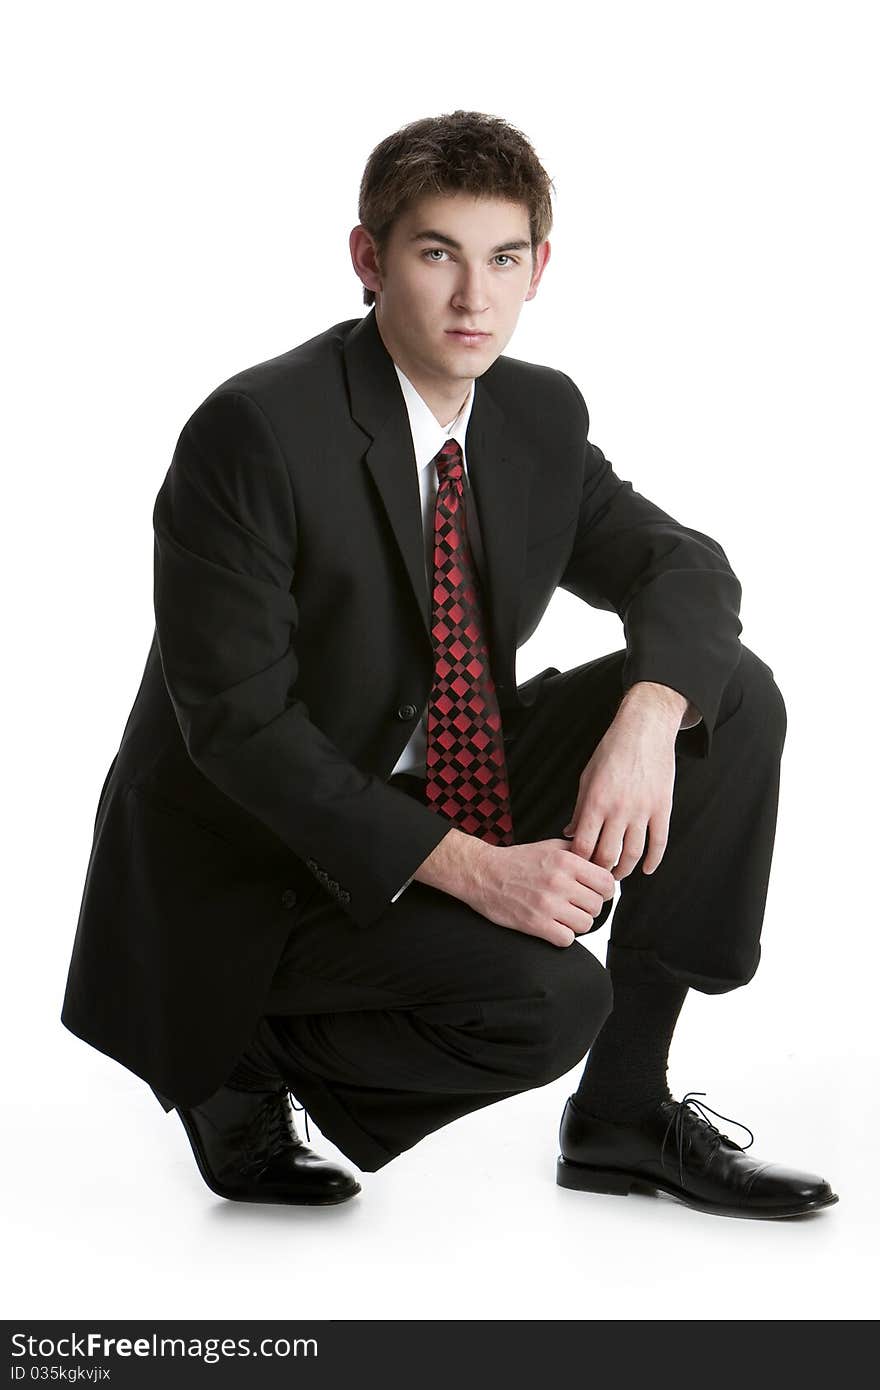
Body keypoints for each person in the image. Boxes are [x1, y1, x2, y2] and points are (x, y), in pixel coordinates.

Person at [61, 109, 838, 1219]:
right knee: (548, 998)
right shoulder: (254, 432)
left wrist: (648, 715)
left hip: (439, 774)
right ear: (368, 259)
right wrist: (479, 870)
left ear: (540, 267)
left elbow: (681, 568)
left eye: (502, 259)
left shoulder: (534, 412)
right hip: (258, 852)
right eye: (437, 254)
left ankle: (623, 1112)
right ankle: (244, 1052)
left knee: (729, 698)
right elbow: (242, 730)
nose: (475, 298)